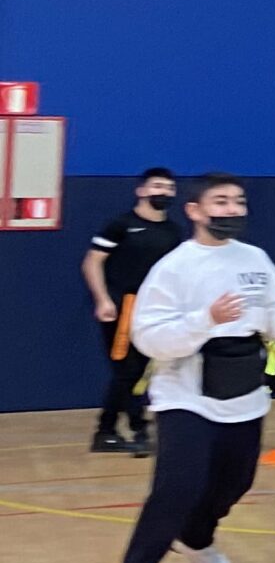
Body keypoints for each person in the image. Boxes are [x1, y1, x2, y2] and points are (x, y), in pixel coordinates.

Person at [102, 174, 275, 563]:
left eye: (238, 201)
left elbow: (272, 316)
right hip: (186, 396)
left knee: (236, 481)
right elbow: (149, 337)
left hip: (243, 391)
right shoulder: (174, 268)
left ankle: (197, 539)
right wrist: (206, 319)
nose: (232, 209)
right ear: (194, 211)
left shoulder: (255, 259)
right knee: (176, 490)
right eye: (220, 201)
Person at [82, 165, 182, 455]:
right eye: (157, 186)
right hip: (123, 308)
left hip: (157, 310)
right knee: (126, 372)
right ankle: (123, 430)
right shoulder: (121, 225)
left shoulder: (173, 232)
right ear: (141, 190)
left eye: (169, 188)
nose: (164, 192)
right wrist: (103, 300)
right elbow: (92, 262)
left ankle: (121, 429)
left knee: (143, 372)